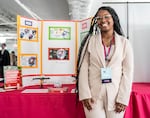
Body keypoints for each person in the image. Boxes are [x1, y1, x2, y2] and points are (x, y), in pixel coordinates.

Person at [77, 6, 134, 118]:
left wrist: (123, 98)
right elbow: (83, 68)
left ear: (113, 19)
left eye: (106, 17)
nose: (103, 20)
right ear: (96, 22)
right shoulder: (90, 41)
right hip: (93, 96)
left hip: (116, 95)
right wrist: (84, 94)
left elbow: (128, 72)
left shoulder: (124, 43)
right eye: (99, 18)